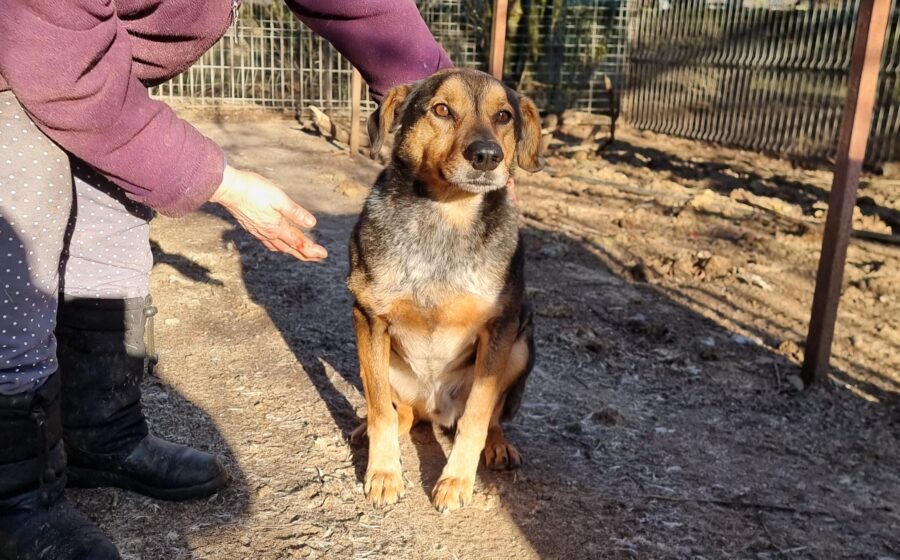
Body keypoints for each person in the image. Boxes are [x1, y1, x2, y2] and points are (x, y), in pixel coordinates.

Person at [0, 1, 453, 558]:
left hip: (102, 73)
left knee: (112, 230)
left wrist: (440, 87)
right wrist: (222, 182)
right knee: (18, 261)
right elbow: (64, 72)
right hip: (21, 67)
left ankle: (102, 438)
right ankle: (15, 502)